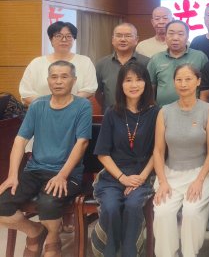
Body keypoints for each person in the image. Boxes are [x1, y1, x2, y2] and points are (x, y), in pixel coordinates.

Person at [0, 61, 92, 257]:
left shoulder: (82, 106)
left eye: (64, 76)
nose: (58, 81)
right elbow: (20, 141)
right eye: (54, 77)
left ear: (74, 80)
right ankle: (35, 232)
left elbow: (82, 143)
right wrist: (12, 176)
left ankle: (52, 238)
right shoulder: (37, 105)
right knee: (2, 204)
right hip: (34, 170)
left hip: (68, 173)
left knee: (48, 203)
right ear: (48, 80)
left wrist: (62, 175)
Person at [91, 61, 158, 256]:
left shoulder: (156, 112)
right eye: (128, 80)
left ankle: (130, 252)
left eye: (139, 79)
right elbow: (102, 153)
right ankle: (109, 252)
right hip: (113, 175)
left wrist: (140, 178)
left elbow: (158, 152)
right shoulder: (112, 113)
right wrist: (122, 178)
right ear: (121, 84)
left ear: (146, 83)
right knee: (111, 207)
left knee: (132, 205)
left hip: (143, 175)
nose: (134, 85)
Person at [153, 63, 209, 257]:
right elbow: (158, 151)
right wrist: (163, 181)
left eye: (188, 79)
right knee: (163, 211)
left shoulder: (208, 110)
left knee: (191, 212)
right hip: (170, 172)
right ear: (173, 82)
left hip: (200, 171)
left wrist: (199, 180)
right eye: (179, 80)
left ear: (198, 82)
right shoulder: (164, 111)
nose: (183, 84)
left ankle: (190, 253)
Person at [19, 21, 97, 106]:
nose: (64, 40)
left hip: (74, 109)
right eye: (58, 36)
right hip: (42, 110)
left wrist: (66, 104)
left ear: (74, 39)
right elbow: (26, 93)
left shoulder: (85, 62)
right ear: (51, 39)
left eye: (68, 36)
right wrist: (49, 106)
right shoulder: (36, 63)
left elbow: (90, 89)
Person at [147, 20, 208, 107]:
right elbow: (150, 86)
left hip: (194, 110)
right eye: (171, 33)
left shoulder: (200, 57)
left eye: (180, 34)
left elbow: (205, 87)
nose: (175, 38)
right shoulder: (156, 59)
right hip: (162, 110)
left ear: (187, 37)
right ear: (165, 36)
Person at [95, 23, 150, 113]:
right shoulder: (102, 64)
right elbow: (98, 93)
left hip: (141, 115)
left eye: (128, 36)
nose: (123, 39)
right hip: (110, 115)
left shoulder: (147, 63)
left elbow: (151, 91)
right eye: (119, 36)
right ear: (113, 40)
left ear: (136, 40)